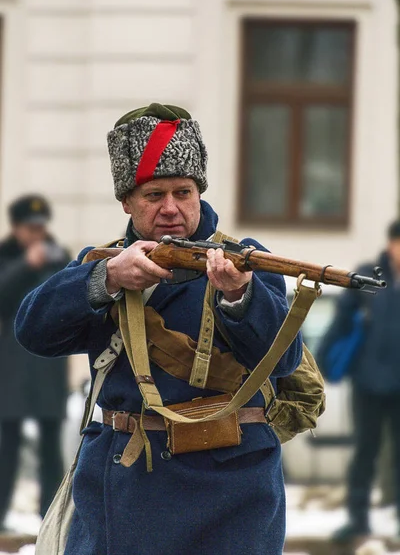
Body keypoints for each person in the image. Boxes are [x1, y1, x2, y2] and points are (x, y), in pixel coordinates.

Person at [15, 104, 303, 555]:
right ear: (127, 202)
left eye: (183, 192)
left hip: (233, 493)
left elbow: (282, 361)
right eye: (153, 195)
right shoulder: (103, 263)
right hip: (127, 486)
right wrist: (107, 279)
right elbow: (33, 331)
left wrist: (238, 297)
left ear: (199, 194)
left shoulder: (246, 260)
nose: (171, 208)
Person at [317, 220, 400, 543]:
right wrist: (324, 360)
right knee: (365, 451)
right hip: (367, 381)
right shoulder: (370, 275)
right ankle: (358, 520)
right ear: (391, 244)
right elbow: (341, 319)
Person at [0, 195, 70, 530]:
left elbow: (68, 297)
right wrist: (26, 264)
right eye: (30, 228)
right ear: (16, 228)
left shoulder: (58, 257)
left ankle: (50, 522)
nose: (37, 235)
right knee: (5, 449)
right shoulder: (6, 256)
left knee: (50, 451)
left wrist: (45, 264)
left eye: (40, 229)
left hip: (47, 370)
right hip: (10, 371)